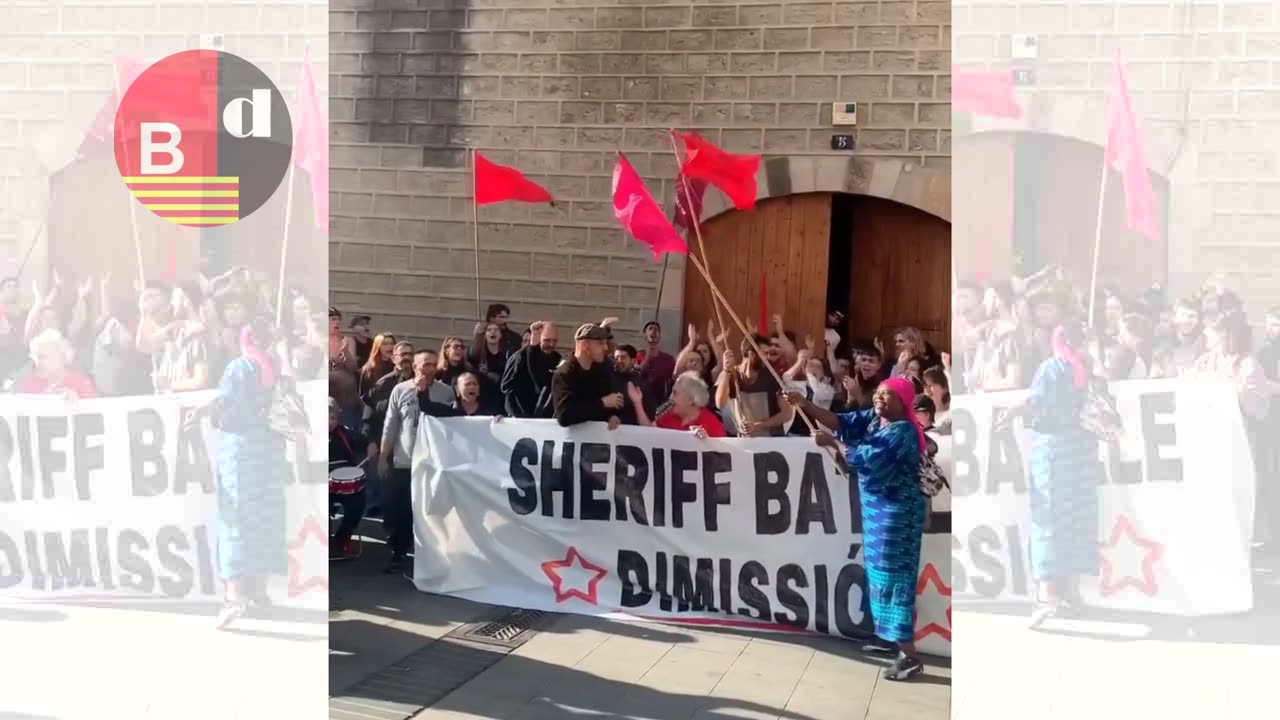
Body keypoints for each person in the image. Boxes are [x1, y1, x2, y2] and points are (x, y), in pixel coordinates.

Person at [783, 376, 928, 681]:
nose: (879, 399)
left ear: (904, 402)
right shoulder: (878, 420)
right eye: (877, 394)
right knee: (878, 574)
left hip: (897, 516)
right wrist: (804, 404)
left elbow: (865, 458)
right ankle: (888, 638)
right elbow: (841, 420)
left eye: (887, 395)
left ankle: (909, 655)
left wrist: (832, 443)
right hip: (878, 513)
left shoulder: (902, 432)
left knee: (894, 577)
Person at [995, 322, 1102, 627]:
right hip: (1082, 449)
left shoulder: (1052, 367)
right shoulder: (1088, 370)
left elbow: (1036, 399)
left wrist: (1013, 411)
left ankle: (1047, 596)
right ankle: (1072, 593)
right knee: (1077, 517)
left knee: (1048, 517)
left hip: (1052, 450)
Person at [188, 318, 289, 629]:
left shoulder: (240, 368)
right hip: (271, 452)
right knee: (265, 517)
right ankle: (259, 592)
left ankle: (234, 596)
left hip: (241, 453)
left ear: (245, 338)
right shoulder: (277, 370)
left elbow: (226, 402)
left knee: (236, 519)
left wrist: (202, 412)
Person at [379, 349, 435, 574]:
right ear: (414, 366)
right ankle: (398, 552)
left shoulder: (445, 391)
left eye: (433, 364)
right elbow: (390, 425)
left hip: (433, 463)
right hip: (405, 460)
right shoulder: (400, 390)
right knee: (400, 509)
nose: (429, 369)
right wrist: (384, 456)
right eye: (425, 364)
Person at [551, 323, 622, 429]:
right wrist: (602, 403)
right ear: (584, 345)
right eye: (600, 343)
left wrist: (611, 416)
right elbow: (564, 415)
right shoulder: (565, 373)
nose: (605, 348)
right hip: (570, 442)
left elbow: (604, 405)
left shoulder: (601, 371)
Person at [329, 398, 375, 560]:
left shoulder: (345, 433)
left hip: (344, 485)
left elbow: (364, 440)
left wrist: (371, 445)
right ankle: (324, 540)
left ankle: (342, 538)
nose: (329, 422)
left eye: (333, 418)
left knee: (357, 505)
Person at [715, 337, 789, 437]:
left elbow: (787, 414)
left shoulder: (773, 377)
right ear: (750, 353)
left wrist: (758, 426)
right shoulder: (730, 375)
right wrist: (726, 370)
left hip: (771, 442)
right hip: (744, 442)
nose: (768, 358)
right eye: (764, 353)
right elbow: (720, 403)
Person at [636, 371, 725, 439]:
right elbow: (648, 431)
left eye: (675, 393)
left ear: (690, 400)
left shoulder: (711, 422)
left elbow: (723, 454)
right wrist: (637, 402)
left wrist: (708, 442)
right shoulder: (668, 414)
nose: (670, 398)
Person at [16, 329, 98, 399]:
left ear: (62, 357)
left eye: (43, 357)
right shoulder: (30, 383)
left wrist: (77, 403)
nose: (38, 362)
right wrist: (44, 399)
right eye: (36, 357)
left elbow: (94, 413)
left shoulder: (80, 382)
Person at [501, 321, 560, 418]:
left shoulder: (555, 358)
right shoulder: (519, 357)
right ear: (537, 338)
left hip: (542, 418)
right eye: (547, 340)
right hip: (519, 418)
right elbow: (506, 386)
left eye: (554, 341)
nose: (551, 344)